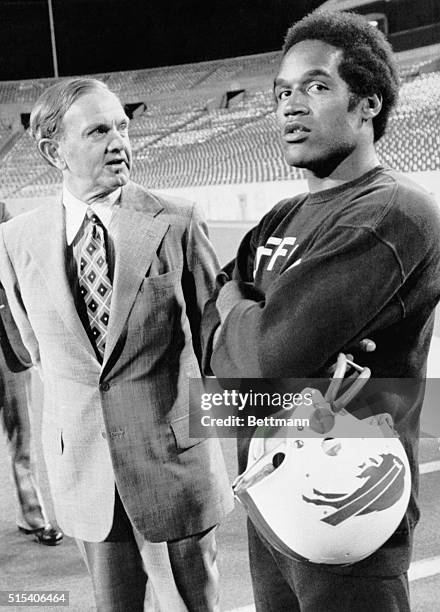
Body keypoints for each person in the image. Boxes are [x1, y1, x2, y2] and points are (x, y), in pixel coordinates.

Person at [201, 10, 440, 612]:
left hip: (347, 507)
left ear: (368, 105)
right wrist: (244, 313)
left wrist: (246, 315)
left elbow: (265, 358)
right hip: (270, 498)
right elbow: (218, 351)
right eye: (282, 91)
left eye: (315, 86)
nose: (290, 106)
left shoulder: (395, 213)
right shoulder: (278, 219)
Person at [0, 77, 232, 611]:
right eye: (99, 130)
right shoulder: (16, 242)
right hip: (87, 478)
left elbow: (220, 348)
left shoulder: (177, 220)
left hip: (176, 474)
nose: (119, 142)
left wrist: (315, 413)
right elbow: (32, 355)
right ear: (53, 151)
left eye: (123, 127)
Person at [0, 204, 63, 546]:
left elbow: (15, 262)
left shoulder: (1, 213)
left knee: (21, 440)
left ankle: (32, 516)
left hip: (6, 349)